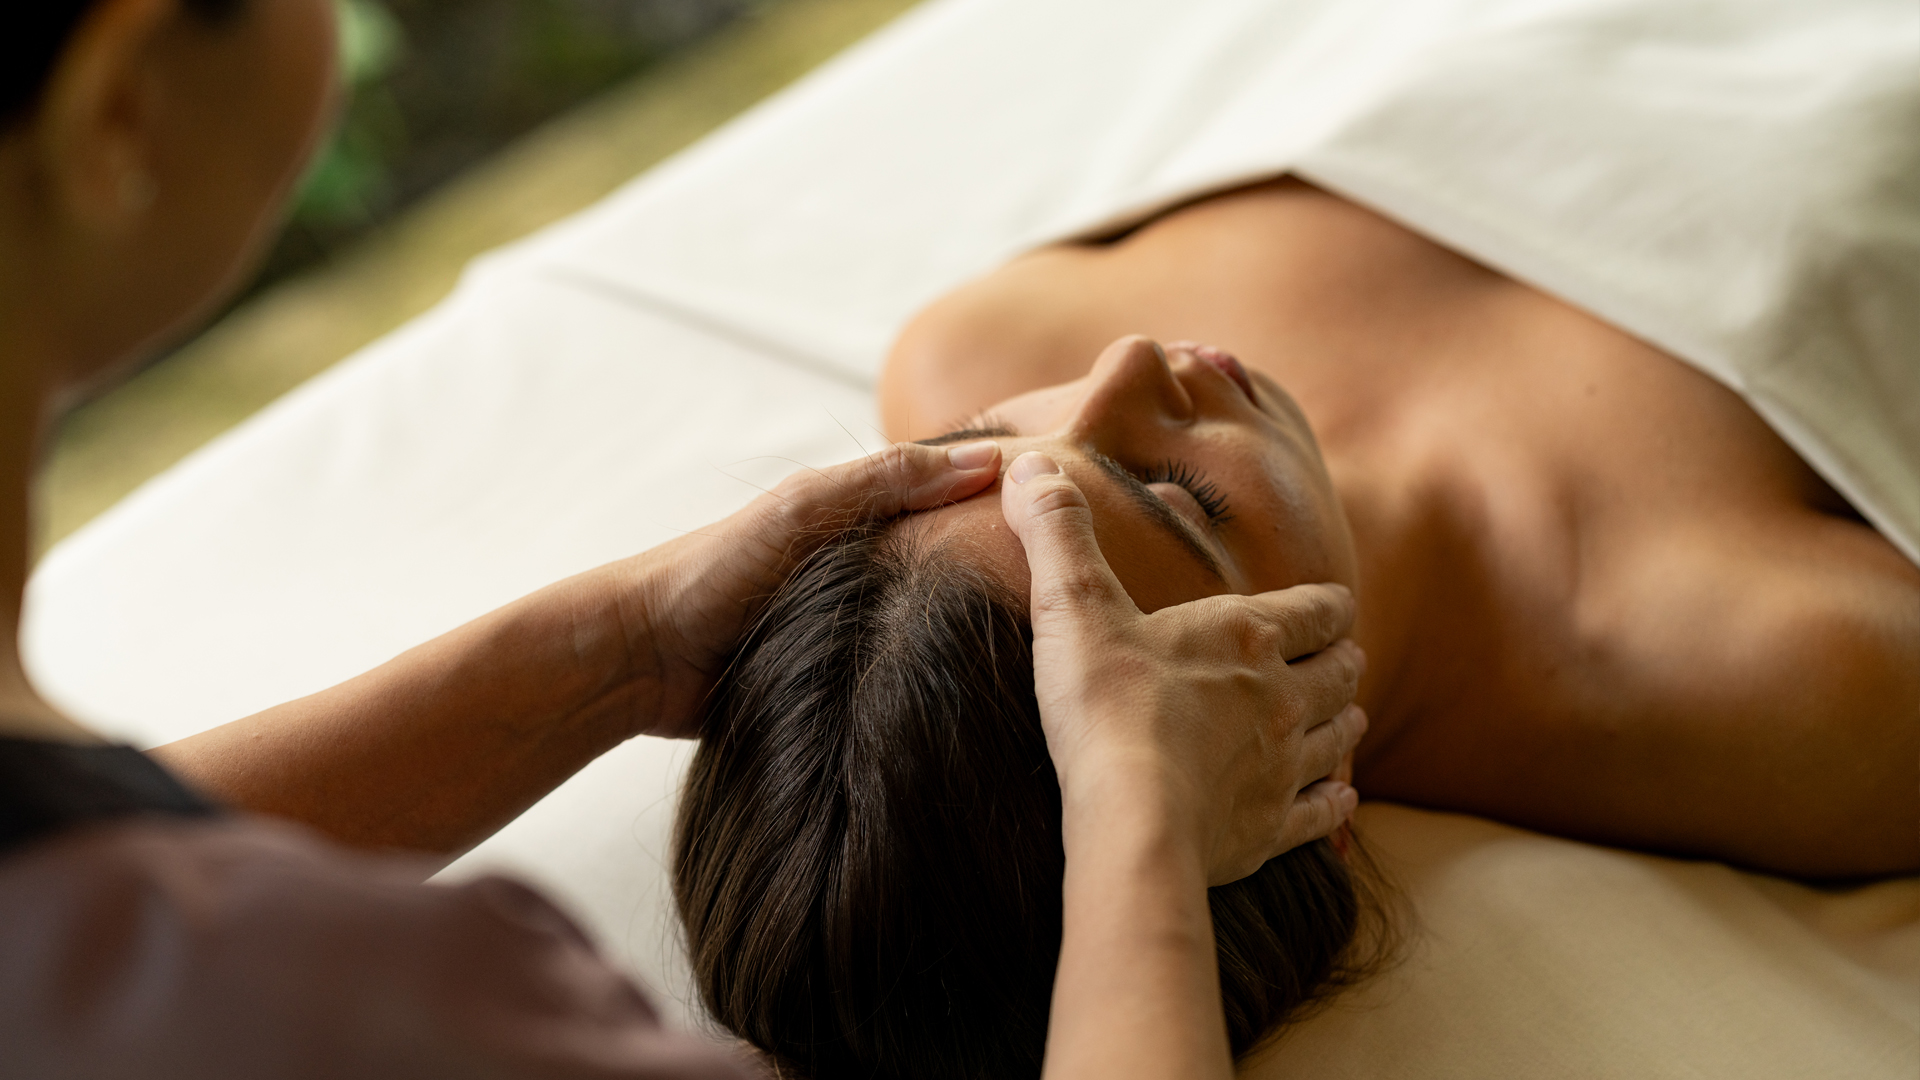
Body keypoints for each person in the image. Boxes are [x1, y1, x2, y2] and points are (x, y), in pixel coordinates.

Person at [0, 3, 1367, 1077]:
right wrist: (1138, 817)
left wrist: (616, 654)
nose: (1126, 359)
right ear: (121, 103)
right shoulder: (362, 1011)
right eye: (1175, 505)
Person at [664, 177, 1920, 1076]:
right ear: (1281, 766)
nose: (1122, 365)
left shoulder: (972, 343)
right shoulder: (1777, 676)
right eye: (1175, 497)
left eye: (988, 441)